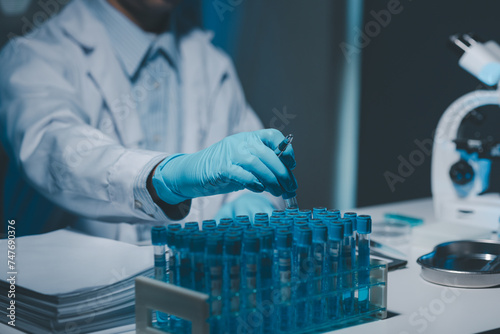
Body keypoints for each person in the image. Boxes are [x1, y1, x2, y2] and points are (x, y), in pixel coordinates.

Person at [0, 0, 297, 242]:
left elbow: (248, 166)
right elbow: (58, 151)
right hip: (76, 310)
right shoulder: (33, 57)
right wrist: (165, 177)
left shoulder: (213, 65)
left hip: (194, 301)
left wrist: (253, 206)